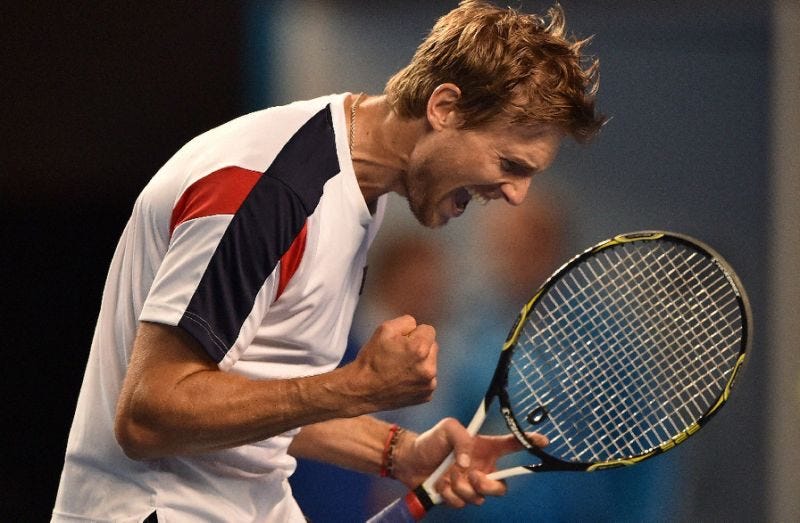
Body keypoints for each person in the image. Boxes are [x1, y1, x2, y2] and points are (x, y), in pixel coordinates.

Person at [53, 1, 605, 521]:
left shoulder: (357, 189)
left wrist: (399, 452)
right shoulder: (269, 191)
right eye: (510, 162)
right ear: (445, 107)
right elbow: (149, 415)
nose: (517, 194)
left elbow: (256, 396)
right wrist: (355, 387)